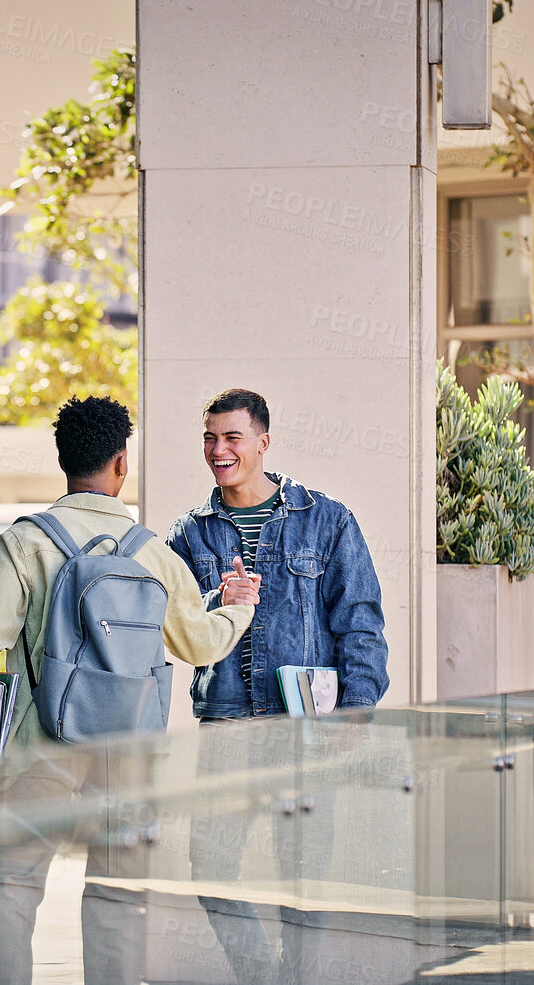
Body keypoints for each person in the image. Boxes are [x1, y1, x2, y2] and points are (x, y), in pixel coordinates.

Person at [0, 396, 261, 985]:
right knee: (117, 895)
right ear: (121, 463)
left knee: (8, 886)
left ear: (64, 461)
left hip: (41, 746)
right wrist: (237, 609)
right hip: (129, 756)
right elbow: (198, 643)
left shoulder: (25, 542)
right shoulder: (152, 552)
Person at [165, 388, 389, 983]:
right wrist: (220, 599)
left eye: (232, 437)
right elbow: (172, 623)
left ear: (262, 442)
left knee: (305, 876)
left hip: (306, 727)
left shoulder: (328, 519)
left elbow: (360, 619)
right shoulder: (189, 534)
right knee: (210, 866)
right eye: (210, 438)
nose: (219, 450)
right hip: (227, 726)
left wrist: (356, 709)